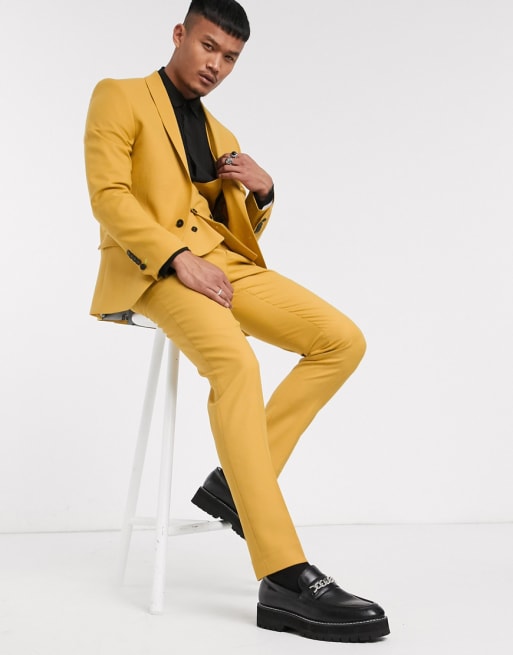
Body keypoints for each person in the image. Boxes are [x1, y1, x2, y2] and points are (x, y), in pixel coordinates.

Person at [84, 0, 390, 642]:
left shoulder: (221, 132)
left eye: (229, 58)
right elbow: (109, 197)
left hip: (222, 262)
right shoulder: (119, 95)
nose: (216, 65)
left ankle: (234, 484)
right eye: (208, 46)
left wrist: (264, 192)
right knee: (237, 364)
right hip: (153, 269)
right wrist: (177, 258)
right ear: (180, 34)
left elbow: (235, 230)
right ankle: (281, 575)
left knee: (341, 341)